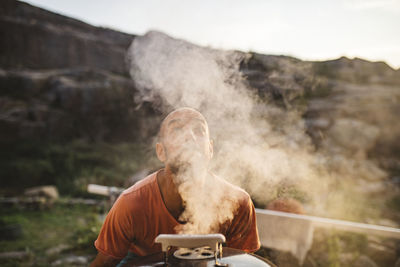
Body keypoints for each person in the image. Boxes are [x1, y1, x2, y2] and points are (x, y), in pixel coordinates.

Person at [90, 107, 260, 267]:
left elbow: (242, 263)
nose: (189, 137)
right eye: (177, 130)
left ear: (210, 149)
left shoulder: (237, 203)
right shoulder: (132, 203)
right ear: (161, 151)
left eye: (198, 130)